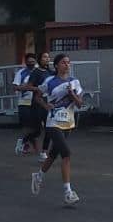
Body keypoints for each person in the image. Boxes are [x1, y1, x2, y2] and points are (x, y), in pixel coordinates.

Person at [31, 54, 84, 205]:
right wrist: (46, 105)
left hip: (68, 123)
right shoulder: (50, 81)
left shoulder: (75, 82)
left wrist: (72, 93)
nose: (67, 65)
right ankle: (68, 192)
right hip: (53, 122)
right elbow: (37, 96)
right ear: (56, 66)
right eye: (63, 62)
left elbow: (80, 104)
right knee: (66, 154)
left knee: (53, 154)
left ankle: (39, 176)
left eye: (68, 62)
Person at [13, 53, 40, 156]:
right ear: (26, 62)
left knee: (37, 129)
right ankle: (37, 150)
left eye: (33, 62)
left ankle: (23, 141)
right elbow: (15, 87)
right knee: (27, 127)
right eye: (29, 62)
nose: (31, 64)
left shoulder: (39, 72)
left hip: (37, 102)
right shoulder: (21, 73)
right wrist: (27, 87)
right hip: (24, 103)